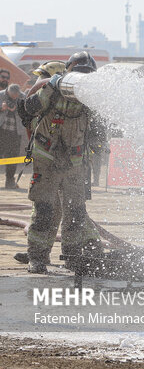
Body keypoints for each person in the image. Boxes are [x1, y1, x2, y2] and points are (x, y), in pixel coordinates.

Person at [16, 51, 102, 273]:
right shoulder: (54, 88)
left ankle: (73, 258)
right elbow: (30, 108)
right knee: (45, 209)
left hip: (74, 161)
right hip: (47, 157)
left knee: (75, 212)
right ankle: (37, 258)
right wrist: (51, 87)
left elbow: (98, 130)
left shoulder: (92, 96)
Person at [0, 84, 24, 188]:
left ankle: (10, 181)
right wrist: (1, 108)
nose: (14, 97)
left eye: (16, 95)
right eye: (12, 95)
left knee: (13, 157)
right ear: (7, 92)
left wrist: (18, 109)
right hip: (1, 131)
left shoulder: (22, 97)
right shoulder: (1, 95)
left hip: (15, 132)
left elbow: (27, 111)